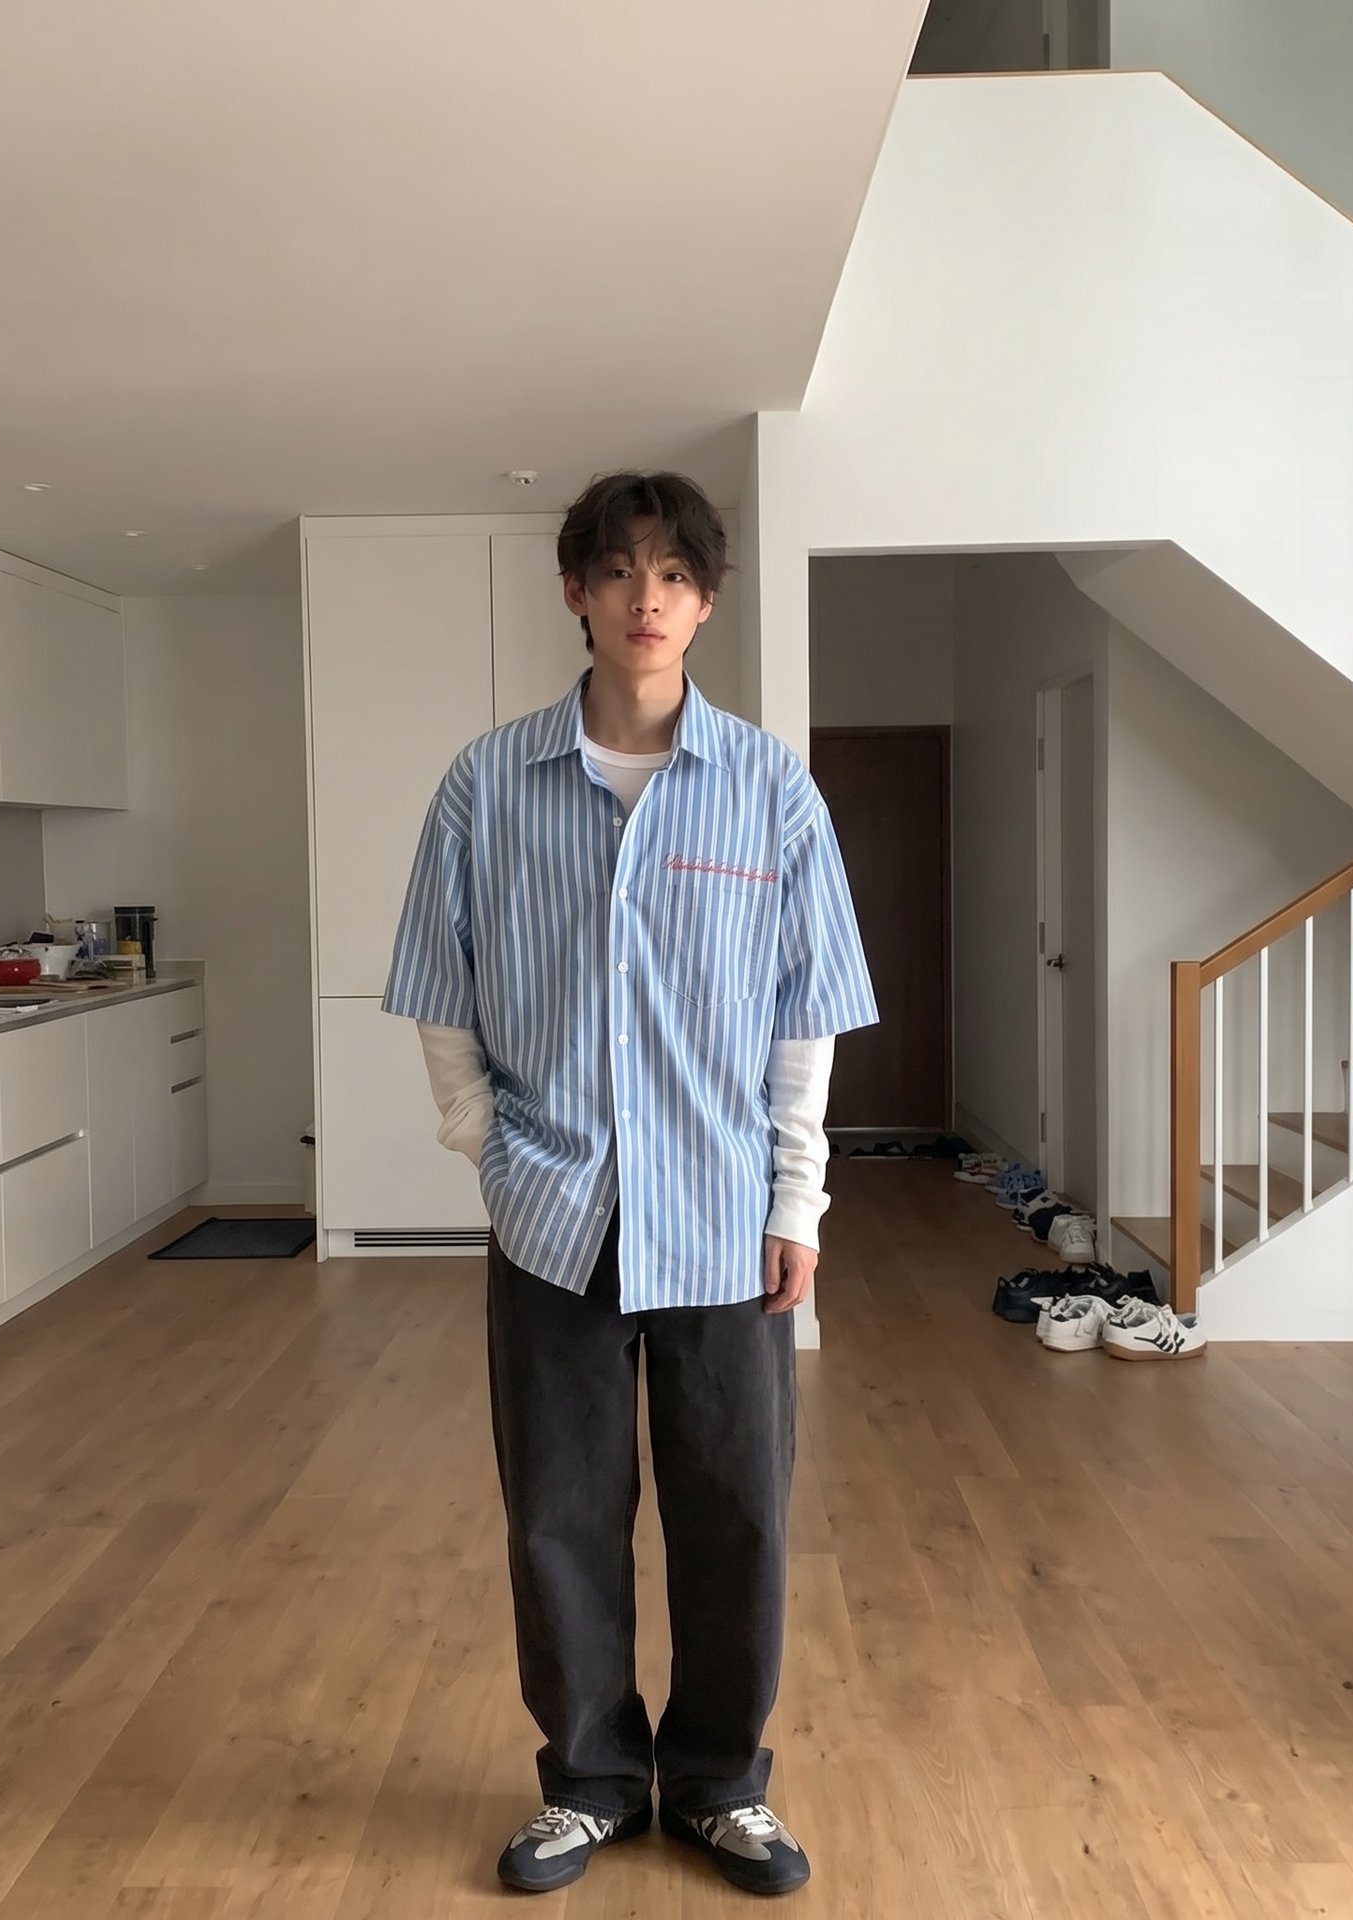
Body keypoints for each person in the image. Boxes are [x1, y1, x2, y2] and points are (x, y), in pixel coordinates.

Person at [383, 470, 876, 1898]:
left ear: (705, 600)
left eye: (672, 571)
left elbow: (805, 1014)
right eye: (617, 569)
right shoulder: (486, 785)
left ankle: (722, 1783)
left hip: (724, 1219)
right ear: (577, 594)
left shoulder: (772, 790)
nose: (645, 594)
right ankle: (592, 1781)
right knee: (558, 1511)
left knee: (736, 1508)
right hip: (554, 1216)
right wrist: (484, 1147)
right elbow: (439, 988)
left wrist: (800, 1203)